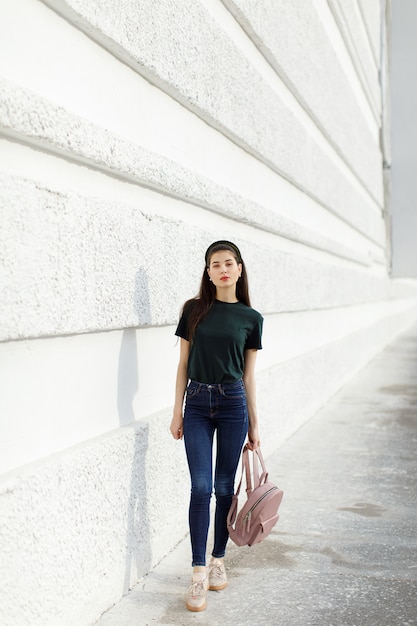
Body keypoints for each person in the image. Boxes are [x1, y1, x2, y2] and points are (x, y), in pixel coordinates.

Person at [170, 240, 263, 612]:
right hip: (196, 403)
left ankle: (218, 561)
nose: (222, 269)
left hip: (232, 403)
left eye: (229, 263)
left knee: (225, 487)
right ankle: (196, 574)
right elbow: (182, 364)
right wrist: (176, 411)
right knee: (200, 486)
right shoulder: (194, 311)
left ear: (239, 269)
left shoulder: (250, 318)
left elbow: (249, 376)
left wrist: (255, 424)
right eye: (215, 264)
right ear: (207, 272)